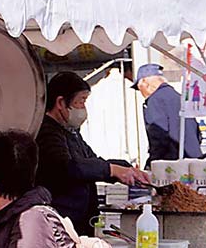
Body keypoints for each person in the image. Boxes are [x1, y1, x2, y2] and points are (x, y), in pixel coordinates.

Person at [36, 71, 149, 235]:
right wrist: (112, 169)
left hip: (79, 222)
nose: (83, 108)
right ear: (60, 102)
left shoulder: (70, 132)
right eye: (80, 102)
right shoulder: (46, 132)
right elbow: (67, 167)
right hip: (61, 223)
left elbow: (93, 161)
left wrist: (127, 170)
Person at [132, 63, 203, 166]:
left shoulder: (155, 100)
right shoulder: (180, 98)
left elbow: (158, 136)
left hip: (172, 165)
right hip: (195, 161)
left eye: (139, 88)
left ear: (145, 83)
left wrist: (152, 163)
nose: (141, 92)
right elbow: (197, 134)